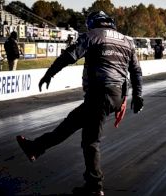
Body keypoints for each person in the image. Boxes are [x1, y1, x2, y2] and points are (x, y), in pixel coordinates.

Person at [16, 11, 143, 196]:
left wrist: (50, 73)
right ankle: (35, 147)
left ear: (93, 23)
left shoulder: (92, 36)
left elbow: (69, 55)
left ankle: (95, 186)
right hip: (115, 95)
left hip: (99, 95)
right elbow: (136, 72)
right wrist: (134, 97)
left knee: (90, 141)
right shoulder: (127, 41)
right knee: (69, 124)